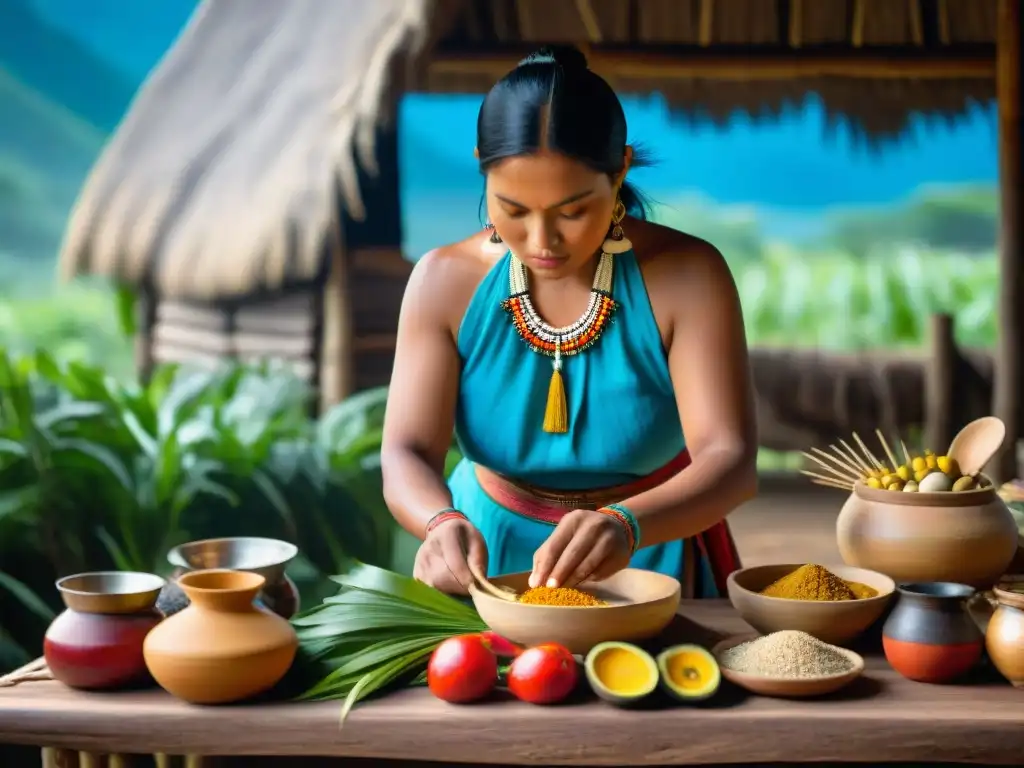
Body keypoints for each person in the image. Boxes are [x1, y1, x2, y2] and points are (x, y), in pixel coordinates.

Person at [381, 44, 757, 599]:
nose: (541, 242)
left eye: (573, 211)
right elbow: (406, 450)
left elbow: (729, 459)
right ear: (481, 162)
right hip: (484, 559)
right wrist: (438, 522)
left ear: (621, 168)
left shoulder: (687, 277)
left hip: (647, 559)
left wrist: (628, 524)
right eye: (513, 209)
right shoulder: (443, 281)